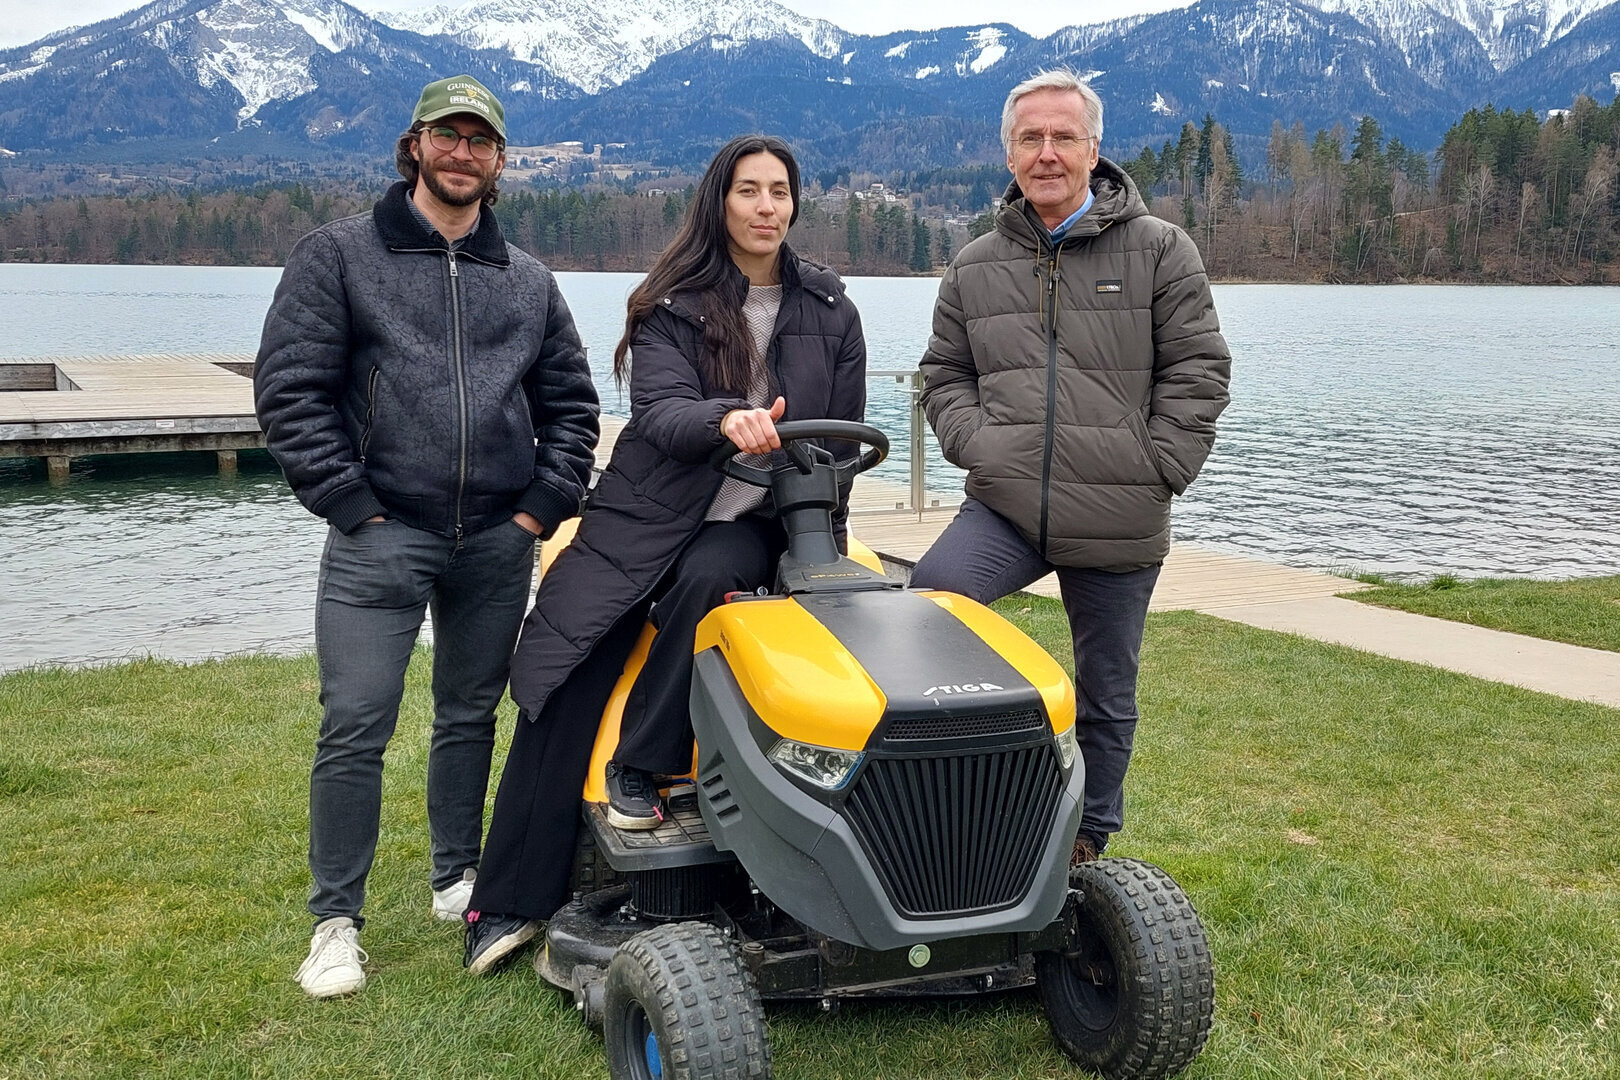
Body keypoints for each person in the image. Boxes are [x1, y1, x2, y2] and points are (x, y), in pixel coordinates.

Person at [459, 133, 868, 975]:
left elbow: (839, 450)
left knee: (714, 575)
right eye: (749, 191)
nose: (766, 207)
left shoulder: (832, 310)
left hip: (756, 524)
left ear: (795, 204)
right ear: (719, 201)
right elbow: (662, 414)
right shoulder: (672, 305)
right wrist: (725, 419)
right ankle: (505, 901)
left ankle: (640, 764)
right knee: (570, 667)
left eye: (780, 193)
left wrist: (823, 533)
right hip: (644, 514)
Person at [254, 74, 600, 998]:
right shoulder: (338, 257)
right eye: (446, 137)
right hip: (380, 533)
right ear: (414, 146)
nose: (462, 153)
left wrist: (540, 508)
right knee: (355, 724)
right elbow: (290, 393)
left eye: (480, 141)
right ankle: (336, 922)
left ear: (499, 161)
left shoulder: (527, 281)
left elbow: (572, 408)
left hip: (495, 536)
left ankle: (457, 877)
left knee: (467, 714)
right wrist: (349, 503)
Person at [912, 70, 1230, 865]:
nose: (1046, 153)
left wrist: (1159, 464)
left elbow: (1199, 372)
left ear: (1094, 150)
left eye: (1063, 138)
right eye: (1030, 139)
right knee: (931, 607)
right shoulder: (975, 264)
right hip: (1006, 508)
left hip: (1121, 508)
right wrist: (979, 446)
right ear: (1009, 153)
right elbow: (943, 374)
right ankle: (971, 804)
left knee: (1107, 692)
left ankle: (1086, 841)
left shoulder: (1161, 250)